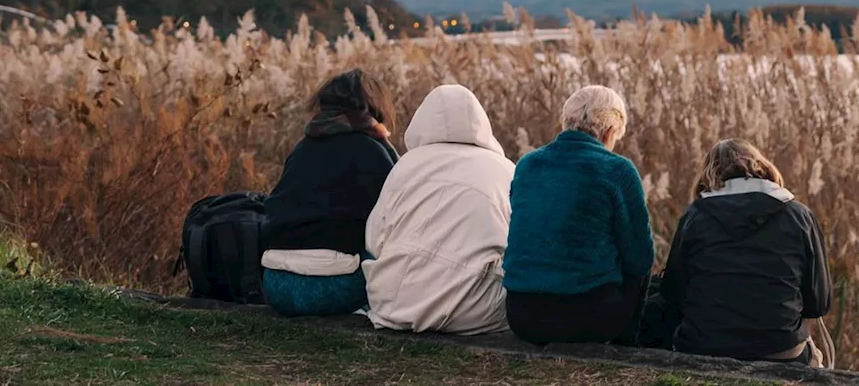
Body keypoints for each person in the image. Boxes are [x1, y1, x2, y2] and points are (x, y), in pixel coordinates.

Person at [502, 85, 655, 344]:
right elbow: (640, 260)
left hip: (522, 315)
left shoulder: (527, 165)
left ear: (566, 123)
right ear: (609, 132)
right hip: (588, 318)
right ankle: (627, 347)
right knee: (639, 260)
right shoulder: (617, 170)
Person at [659, 138, 831, 366]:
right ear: (763, 166)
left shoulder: (696, 216)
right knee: (817, 359)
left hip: (703, 345)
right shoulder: (799, 216)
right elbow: (818, 304)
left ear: (710, 175)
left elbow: (673, 293)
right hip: (781, 349)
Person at [363, 84, 516, 335]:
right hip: (474, 310)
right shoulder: (506, 170)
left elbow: (375, 238)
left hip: (395, 303)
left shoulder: (405, 166)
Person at [260, 69, 399, 317]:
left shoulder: (302, 149)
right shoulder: (375, 152)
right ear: (375, 107)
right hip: (330, 289)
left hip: (275, 286)